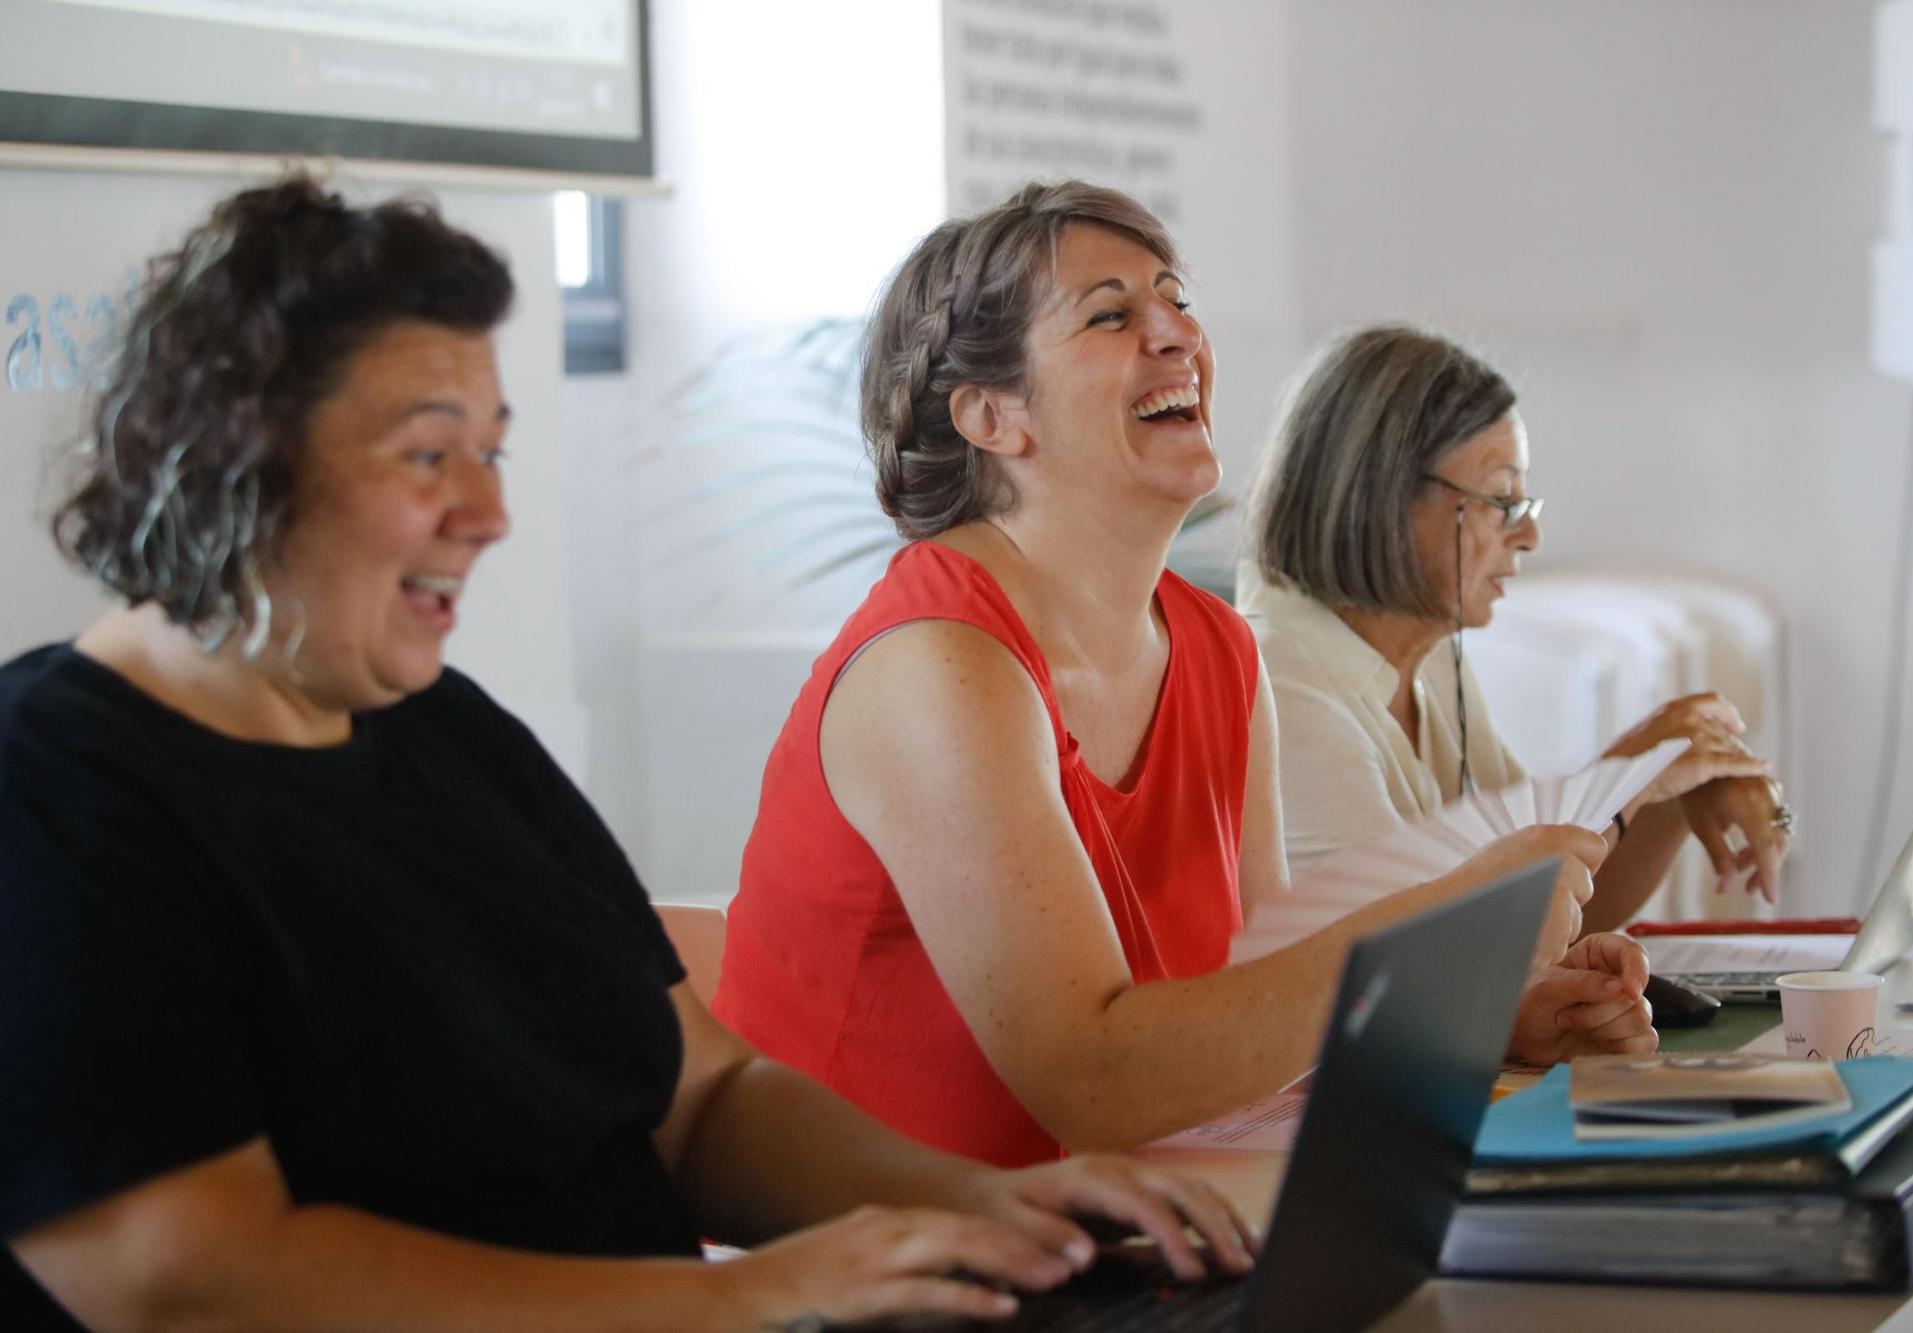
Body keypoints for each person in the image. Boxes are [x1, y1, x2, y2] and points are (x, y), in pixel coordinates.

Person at [0, 177, 1258, 1333]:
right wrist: (743, 1297)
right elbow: (180, 1274)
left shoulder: (445, 734)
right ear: (239, 456)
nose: (489, 514)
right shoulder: (53, 789)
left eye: (490, 454)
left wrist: (980, 1210)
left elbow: (701, 1097)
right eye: (430, 455)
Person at [712, 181, 1656, 1171]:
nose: (1176, 334)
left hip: (1109, 1231)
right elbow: (1092, 1081)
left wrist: (1479, 1019)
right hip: (878, 1267)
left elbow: (1247, 1032)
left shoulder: (1216, 647)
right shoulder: (937, 664)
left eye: (1174, 300)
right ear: (991, 415)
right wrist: (1448, 929)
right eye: (1112, 314)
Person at [1240, 324, 1793, 934]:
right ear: (1383, 500)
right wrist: (1626, 777)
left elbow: (1556, 912)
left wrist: (1681, 780)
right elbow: (1418, 955)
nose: (1528, 536)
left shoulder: (1430, 659)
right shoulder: (1282, 687)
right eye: (1502, 501)